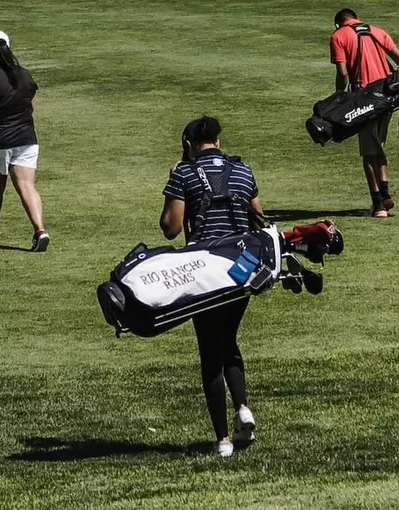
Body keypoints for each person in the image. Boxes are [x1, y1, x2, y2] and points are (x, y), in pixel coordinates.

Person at [159, 116, 264, 457]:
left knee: (209, 352)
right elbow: (258, 219)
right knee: (229, 339)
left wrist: (173, 181)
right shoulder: (243, 170)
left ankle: (222, 440)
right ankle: (243, 407)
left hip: (204, 269)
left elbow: (171, 228)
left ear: (188, 144)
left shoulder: (185, 174)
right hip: (241, 267)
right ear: (218, 141)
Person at [330, 8, 399, 218]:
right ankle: (385, 194)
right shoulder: (377, 31)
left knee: (367, 153)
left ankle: (378, 204)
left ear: (337, 24)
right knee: (377, 146)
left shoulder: (339, 36)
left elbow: (343, 72)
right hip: (388, 96)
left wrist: (338, 97)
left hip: (364, 99)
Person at [0, 30, 50, 251]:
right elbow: (30, 105)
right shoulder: (25, 75)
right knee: (27, 186)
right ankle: (40, 231)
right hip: (26, 139)